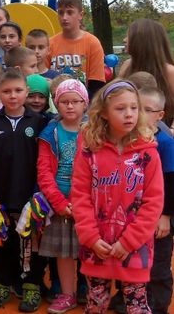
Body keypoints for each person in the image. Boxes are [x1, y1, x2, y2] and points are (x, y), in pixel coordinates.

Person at [71, 80, 163, 313]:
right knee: (96, 304)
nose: (129, 114)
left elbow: (153, 203)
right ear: (103, 112)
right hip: (97, 246)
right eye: (120, 108)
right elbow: (80, 196)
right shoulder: (89, 151)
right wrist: (90, 237)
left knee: (137, 306)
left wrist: (129, 241)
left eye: (134, 107)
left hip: (135, 247)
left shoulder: (149, 152)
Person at [0, 68, 47, 312]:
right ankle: (2, 284)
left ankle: (32, 286)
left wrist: (38, 195)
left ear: (26, 92)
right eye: (7, 91)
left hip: (30, 197)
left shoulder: (39, 122)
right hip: (0, 198)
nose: (13, 95)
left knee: (32, 244)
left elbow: (44, 164)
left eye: (18, 90)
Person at [37, 79, 89, 314]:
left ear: (85, 103)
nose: (70, 106)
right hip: (60, 205)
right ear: (56, 104)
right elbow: (44, 172)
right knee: (64, 253)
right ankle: (67, 294)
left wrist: (84, 203)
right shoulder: (50, 133)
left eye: (75, 101)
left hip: (88, 204)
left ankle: (92, 292)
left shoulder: (94, 132)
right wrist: (58, 202)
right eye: (64, 102)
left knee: (89, 250)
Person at [138, 87, 174, 314]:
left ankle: (159, 307)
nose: (140, 114)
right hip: (135, 215)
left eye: (147, 110)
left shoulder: (165, 142)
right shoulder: (130, 137)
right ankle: (129, 302)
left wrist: (166, 216)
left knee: (158, 265)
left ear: (160, 115)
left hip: (159, 216)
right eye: (137, 108)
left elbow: (171, 181)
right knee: (134, 263)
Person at [46, 0, 105, 97]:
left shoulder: (92, 43)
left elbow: (97, 85)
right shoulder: (50, 44)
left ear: (80, 15)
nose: (64, 17)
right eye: (61, 13)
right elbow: (44, 77)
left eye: (70, 12)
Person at [119, 18, 174, 129]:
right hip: (129, 130)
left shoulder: (170, 72)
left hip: (159, 131)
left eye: (129, 36)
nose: (125, 40)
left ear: (141, 40)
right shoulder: (127, 65)